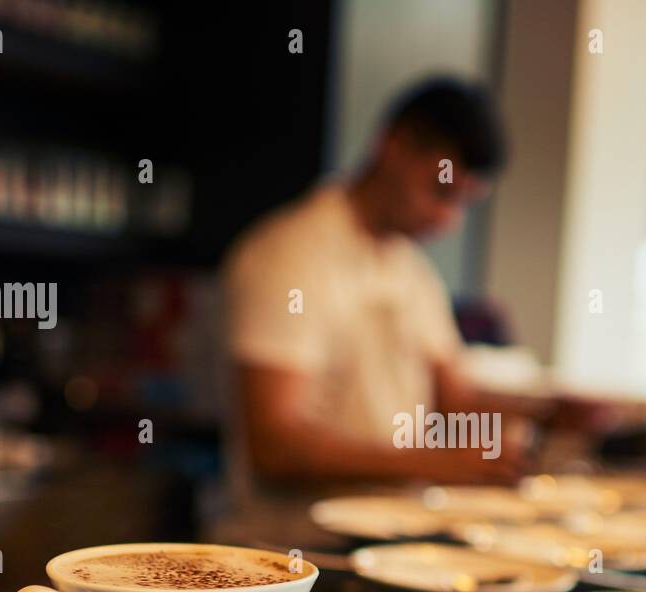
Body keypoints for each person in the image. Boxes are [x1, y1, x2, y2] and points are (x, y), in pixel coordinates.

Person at [223, 77, 541, 490]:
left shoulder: (410, 269)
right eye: (440, 192)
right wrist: (437, 463)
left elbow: (456, 400)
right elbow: (276, 445)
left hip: (390, 525)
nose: (449, 219)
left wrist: (549, 413)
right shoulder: (289, 256)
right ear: (394, 145)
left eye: (463, 202)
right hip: (295, 540)